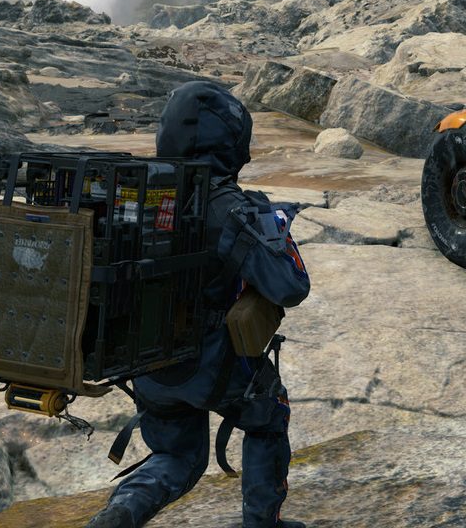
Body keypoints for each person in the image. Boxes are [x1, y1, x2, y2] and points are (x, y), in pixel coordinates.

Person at [86, 81, 310, 528]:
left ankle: (119, 515)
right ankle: (262, 523)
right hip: (212, 364)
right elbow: (290, 286)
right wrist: (276, 228)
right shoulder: (230, 208)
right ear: (229, 142)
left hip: (147, 362)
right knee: (268, 415)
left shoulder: (135, 192)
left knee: (178, 456)